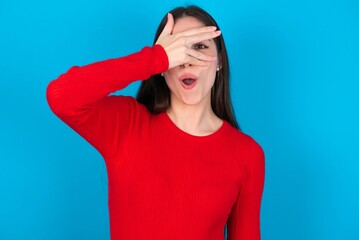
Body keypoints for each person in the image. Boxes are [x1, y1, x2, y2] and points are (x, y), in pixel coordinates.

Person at [46, 5, 265, 240]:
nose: (187, 61)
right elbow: (61, 95)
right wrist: (157, 57)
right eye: (178, 50)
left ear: (219, 60)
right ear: (163, 66)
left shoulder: (247, 154)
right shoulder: (127, 125)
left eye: (199, 46)